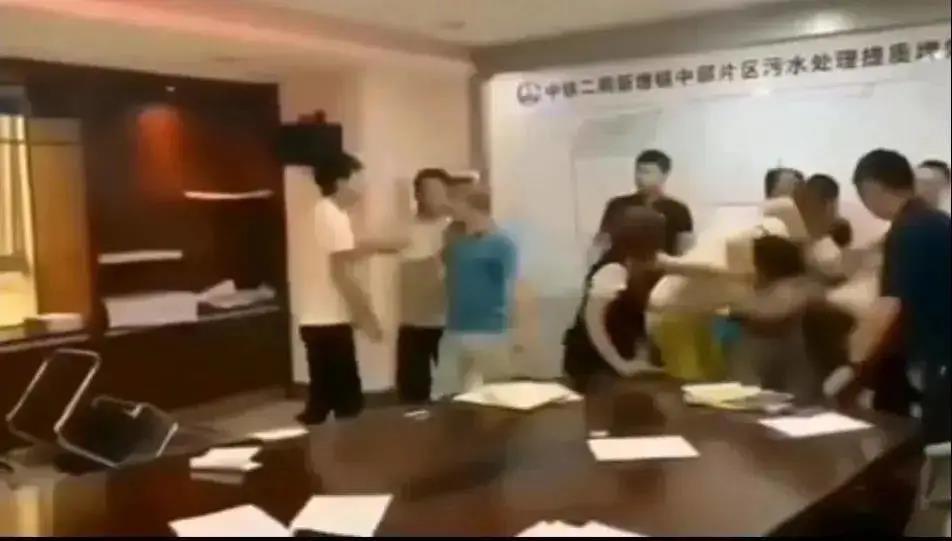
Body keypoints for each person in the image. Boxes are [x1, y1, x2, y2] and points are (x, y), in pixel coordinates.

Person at [830, 149, 950, 445]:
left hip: (937, 357)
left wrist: (852, 366)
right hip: (939, 353)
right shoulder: (937, 221)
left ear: (872, 188)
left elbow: (889, 306)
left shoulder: (909, 230)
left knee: (925, 445)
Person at [296, 156, 398, 425]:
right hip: (329, 321)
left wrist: (383, 246)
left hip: (318, 320)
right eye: (358, 180)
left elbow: (346, 253)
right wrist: (366, 316)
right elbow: (341, 272)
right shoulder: (331, 215)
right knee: (347, 403)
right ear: (341, 182)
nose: (362, 188)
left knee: (321, 400)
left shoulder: (326, 213)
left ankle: (315, 441)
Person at [564, 207, 667, 392]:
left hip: (615, 355)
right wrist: (619, 364)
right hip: (593, 361)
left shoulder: (637, 265)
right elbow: (593, 322)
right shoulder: (613, 269)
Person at [437, 186, 519, 394]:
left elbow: (511, 286)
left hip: (489, 330)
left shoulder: (501, 244)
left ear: (472, 207)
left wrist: (517, 331)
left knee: (495, 393)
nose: (453, 209)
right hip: (456, 328)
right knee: (454, 394)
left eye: (458, 204)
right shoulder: (457, 245)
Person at [396, 168, 452, 404]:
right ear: (418, 194)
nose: (438, 198)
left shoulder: (454, 229)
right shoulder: (402, 228)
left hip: (448, 323)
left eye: (442, 192)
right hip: (412, 323)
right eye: (432, 192)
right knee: (412, 394)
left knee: (454, 393)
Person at [597, 150, 693, 256]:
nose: (639, 177)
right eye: (638, 171)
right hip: (620, 264)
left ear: (664, 175)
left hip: (662, 265)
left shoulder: (679, 210)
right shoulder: (617, 205)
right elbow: (601, 245)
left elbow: (684, 252)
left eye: (646, 172)